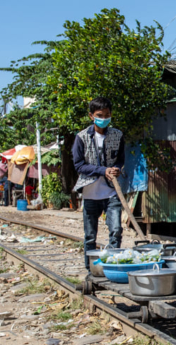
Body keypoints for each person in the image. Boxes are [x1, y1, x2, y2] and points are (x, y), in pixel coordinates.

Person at [72, 97, 125, 270]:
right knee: (90, 236)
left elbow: (121, 160)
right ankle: (90, 270)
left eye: (107, 115)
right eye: (100, 115)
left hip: (111, 192)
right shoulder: (81, 138)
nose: (104, 118)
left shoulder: (118, 135)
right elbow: (79, 165)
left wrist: (116, 169)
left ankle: (114, 266)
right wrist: (103, 170)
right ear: (91, 116)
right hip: (90, 193)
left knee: (116, 230)